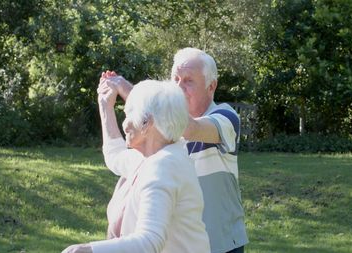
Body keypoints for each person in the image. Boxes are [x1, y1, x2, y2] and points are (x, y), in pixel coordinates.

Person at [104, 47, 248, 253]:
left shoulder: (225, 117)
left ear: (211, 86)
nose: (180, 88)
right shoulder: (158, 131)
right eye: (176, 79)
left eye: (189, 81)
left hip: (222, 244)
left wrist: (131, 92)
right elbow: (118, 157)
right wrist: (105, 106)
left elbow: (190, 128)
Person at [61, 79, 210, 253]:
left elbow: (150, 240)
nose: (125, 124)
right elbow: (115, 155)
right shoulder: (149, 157)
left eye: (129, 115)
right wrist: (105, 106)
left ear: (147, 123)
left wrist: (87, 250)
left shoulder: (164, 165)